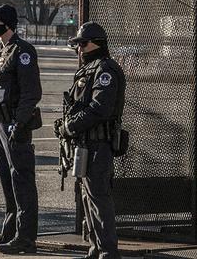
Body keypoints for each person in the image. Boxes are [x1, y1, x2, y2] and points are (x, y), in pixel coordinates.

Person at [56, 21, 126, 259]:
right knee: (88, 197)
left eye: (83, 44)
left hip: (98, 144)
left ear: (97, 44)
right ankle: (96, 247)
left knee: (99, 198)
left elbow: (100, 109)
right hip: (85, 144)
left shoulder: (105, 70)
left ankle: (108, 250)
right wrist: (65, 124)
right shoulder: (89, 69)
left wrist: (70, 126)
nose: (79, 49)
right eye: (78, 44)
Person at [0, 4, 42, 255]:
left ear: (7, 23)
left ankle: (25, 237)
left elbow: (31, 93)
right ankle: (10, 231)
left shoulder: (22, 51)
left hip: (15, 125)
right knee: (7, 181)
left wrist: (19, 122)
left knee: (21, 181)